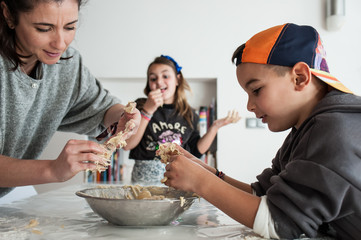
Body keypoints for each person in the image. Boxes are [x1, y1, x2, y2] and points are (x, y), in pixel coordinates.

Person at [162, 23, 361, 240]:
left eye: (256, 90)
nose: (249, 105)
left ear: (300, 77)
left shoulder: (334, 132)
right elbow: (264, 195)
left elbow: (278, 222)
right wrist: (205, 170)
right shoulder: (304, 131)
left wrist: (200, 182)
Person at [0, 0, 140, 198]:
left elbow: (104, 109)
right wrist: (53, 170)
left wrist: (121, 117)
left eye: (70, 27)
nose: (60, 43)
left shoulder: (67, 66)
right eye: (43, 29)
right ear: (9, 15)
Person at [123, 55, 239, 183]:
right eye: (153, 78)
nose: (159, 82)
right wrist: (147, 111)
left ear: (178, 80)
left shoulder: (189, 114)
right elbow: (127, 145)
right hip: (143, 182)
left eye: (165, 76)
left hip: (178, 178)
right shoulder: (140, 106)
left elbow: (196, 151)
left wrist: (215, 127)